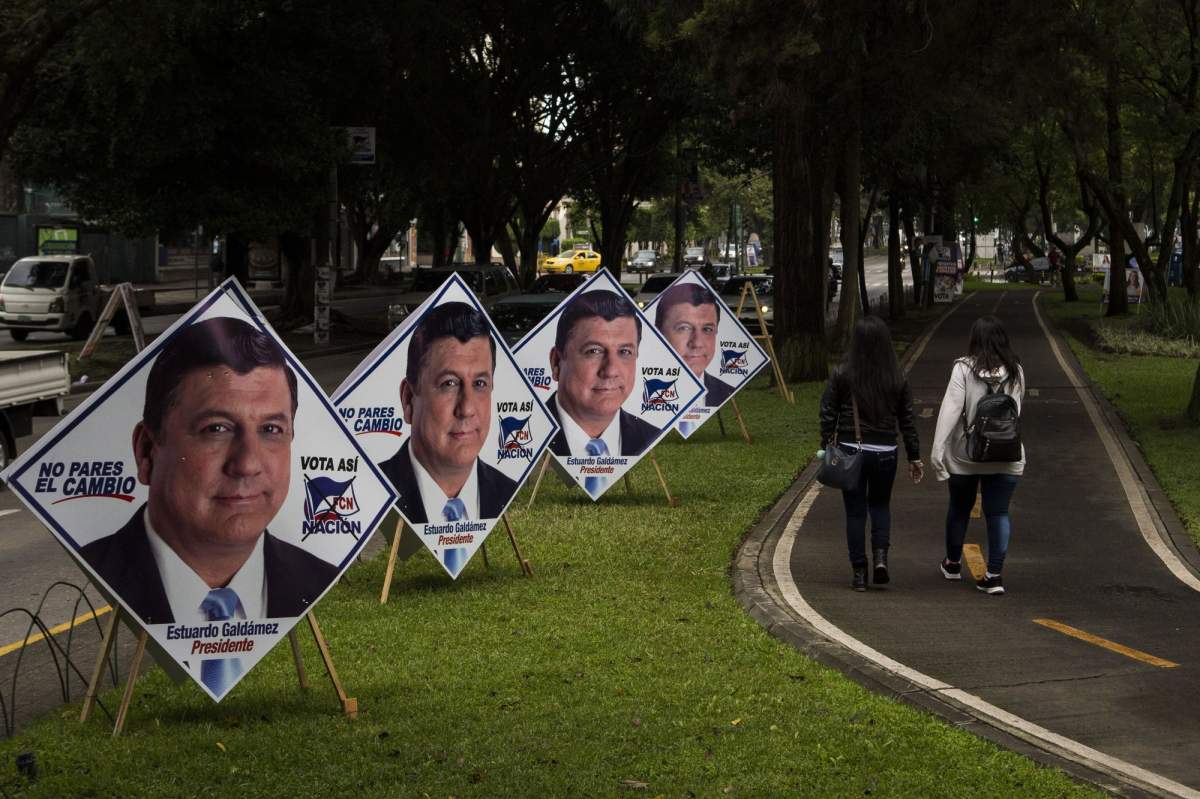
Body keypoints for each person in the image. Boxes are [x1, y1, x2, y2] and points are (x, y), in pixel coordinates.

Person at [81, 316, 337, 694]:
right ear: (147, 451)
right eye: (216, 428)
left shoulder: (315, 578)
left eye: (271, 430)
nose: (247, 464)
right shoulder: (104, 568)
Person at [379, 302, 518, 524]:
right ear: (408, 399)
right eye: (449, 383)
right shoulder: (374, 495)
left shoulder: (510, 495)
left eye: (480, 383)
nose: (467, 409)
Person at [819, 316, 923, 591]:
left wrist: (826, 443)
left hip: (851, 450)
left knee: (855, 513)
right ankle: (880, 558)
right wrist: (914, 456)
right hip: (886, 452)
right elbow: (907, 420)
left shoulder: (843, 373)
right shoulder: (897, 377)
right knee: (880, 506)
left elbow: (827, 412)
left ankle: (859, 573)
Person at [930, 316, 1025, 595]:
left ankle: (952, 563)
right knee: (998, 512)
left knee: (959, 508)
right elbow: (1016, 412)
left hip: (966, 454)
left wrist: (938, 450)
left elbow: (951, 409)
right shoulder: (1016, 370)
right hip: (1007, 452)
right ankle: (994, 575)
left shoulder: (963, 368)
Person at [546, 289, 658, 458]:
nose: (611, 371)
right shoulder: (529, 439)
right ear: (556, 362)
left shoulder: (649, 437)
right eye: (594, 351)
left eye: (625, 352)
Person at [653, 283, 734, 409]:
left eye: (707, 329)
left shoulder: (726, 392)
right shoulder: (630, 394)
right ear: (658, 333)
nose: (697, 343)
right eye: (684, 328)